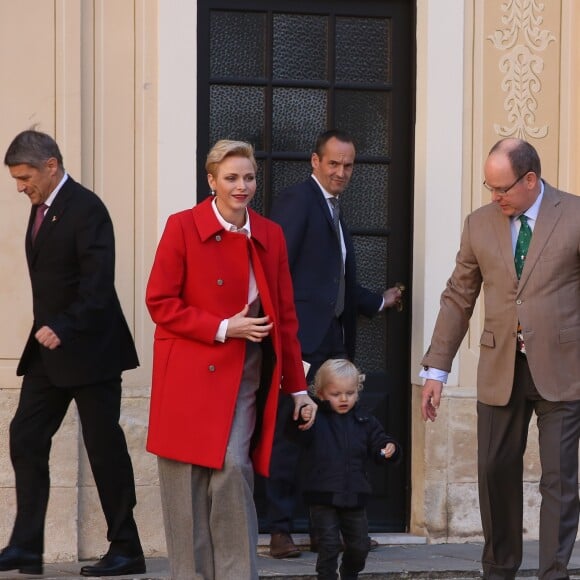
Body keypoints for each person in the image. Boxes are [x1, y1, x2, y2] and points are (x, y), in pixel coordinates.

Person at [145, 139, 317, 580]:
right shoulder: (181, 227)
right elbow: (160, 302)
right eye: (231, 178)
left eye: (249, 177)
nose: (242, 186)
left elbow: (287, 317)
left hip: (244, 373)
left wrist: (298, 389)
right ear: (211, 181)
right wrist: (224, 327)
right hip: (186, 373)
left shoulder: (269, 234)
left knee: (233, 469)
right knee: (185, 482)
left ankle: (239, 574)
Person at [420, 138, 580, 579]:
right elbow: (458, 298)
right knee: (494, 472)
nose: (495, 197)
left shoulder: (575, 215)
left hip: (564, 369)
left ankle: (553, 572)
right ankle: (499, 570)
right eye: (489, 188)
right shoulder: (478, 225)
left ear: (531, 179)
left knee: (560, 480)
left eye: (503, 188)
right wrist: (436, 368)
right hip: (500, 367)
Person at [0, 130, 145, 577]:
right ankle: (26, 545)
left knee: (104, 450)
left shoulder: (87, 208)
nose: (20, 186)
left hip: (92, 349)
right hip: (50, 350)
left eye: (25, 177)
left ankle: (127, 548)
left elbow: (98, 283)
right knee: (25, 436)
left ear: (51, 165)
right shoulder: (42, 208)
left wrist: (63, 326)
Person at [266, 129, 403, 558]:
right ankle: (280, 531)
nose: (342, 172)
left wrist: (379, 301)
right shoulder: (298, 200)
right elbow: (277, 268)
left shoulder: (334, 209)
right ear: (315, 161)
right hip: (300, 341)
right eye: (334, 163)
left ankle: (343, 529)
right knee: (291, 434)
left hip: (332, 343)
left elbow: (334, 281)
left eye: (348, 165)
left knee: (334, 437)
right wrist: (281, 334)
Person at [289, 358, 401, 580]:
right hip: (322, 495)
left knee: (360, 546)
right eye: (336, 394)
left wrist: (390, 449)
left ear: (357, 392)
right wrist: (301, 416)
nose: (343, 399)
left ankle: (349, 574)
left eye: (350, 393)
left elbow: (379, 441)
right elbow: (296, 435)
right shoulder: (315, 418)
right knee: (328, 545)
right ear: (320, 394)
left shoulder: (365, 420)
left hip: (355, 495)